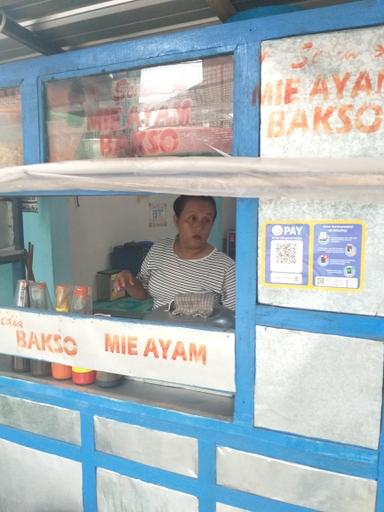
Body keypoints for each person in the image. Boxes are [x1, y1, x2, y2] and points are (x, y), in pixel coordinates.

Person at [114, 195, 235, 311]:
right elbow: (143, 292)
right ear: (177, 220)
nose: (199, 226)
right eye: (192, 218)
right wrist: (128, 282)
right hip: (157, 330)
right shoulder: (158, 250)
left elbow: (234, 318)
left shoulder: (226, 268)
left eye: (206, 220)